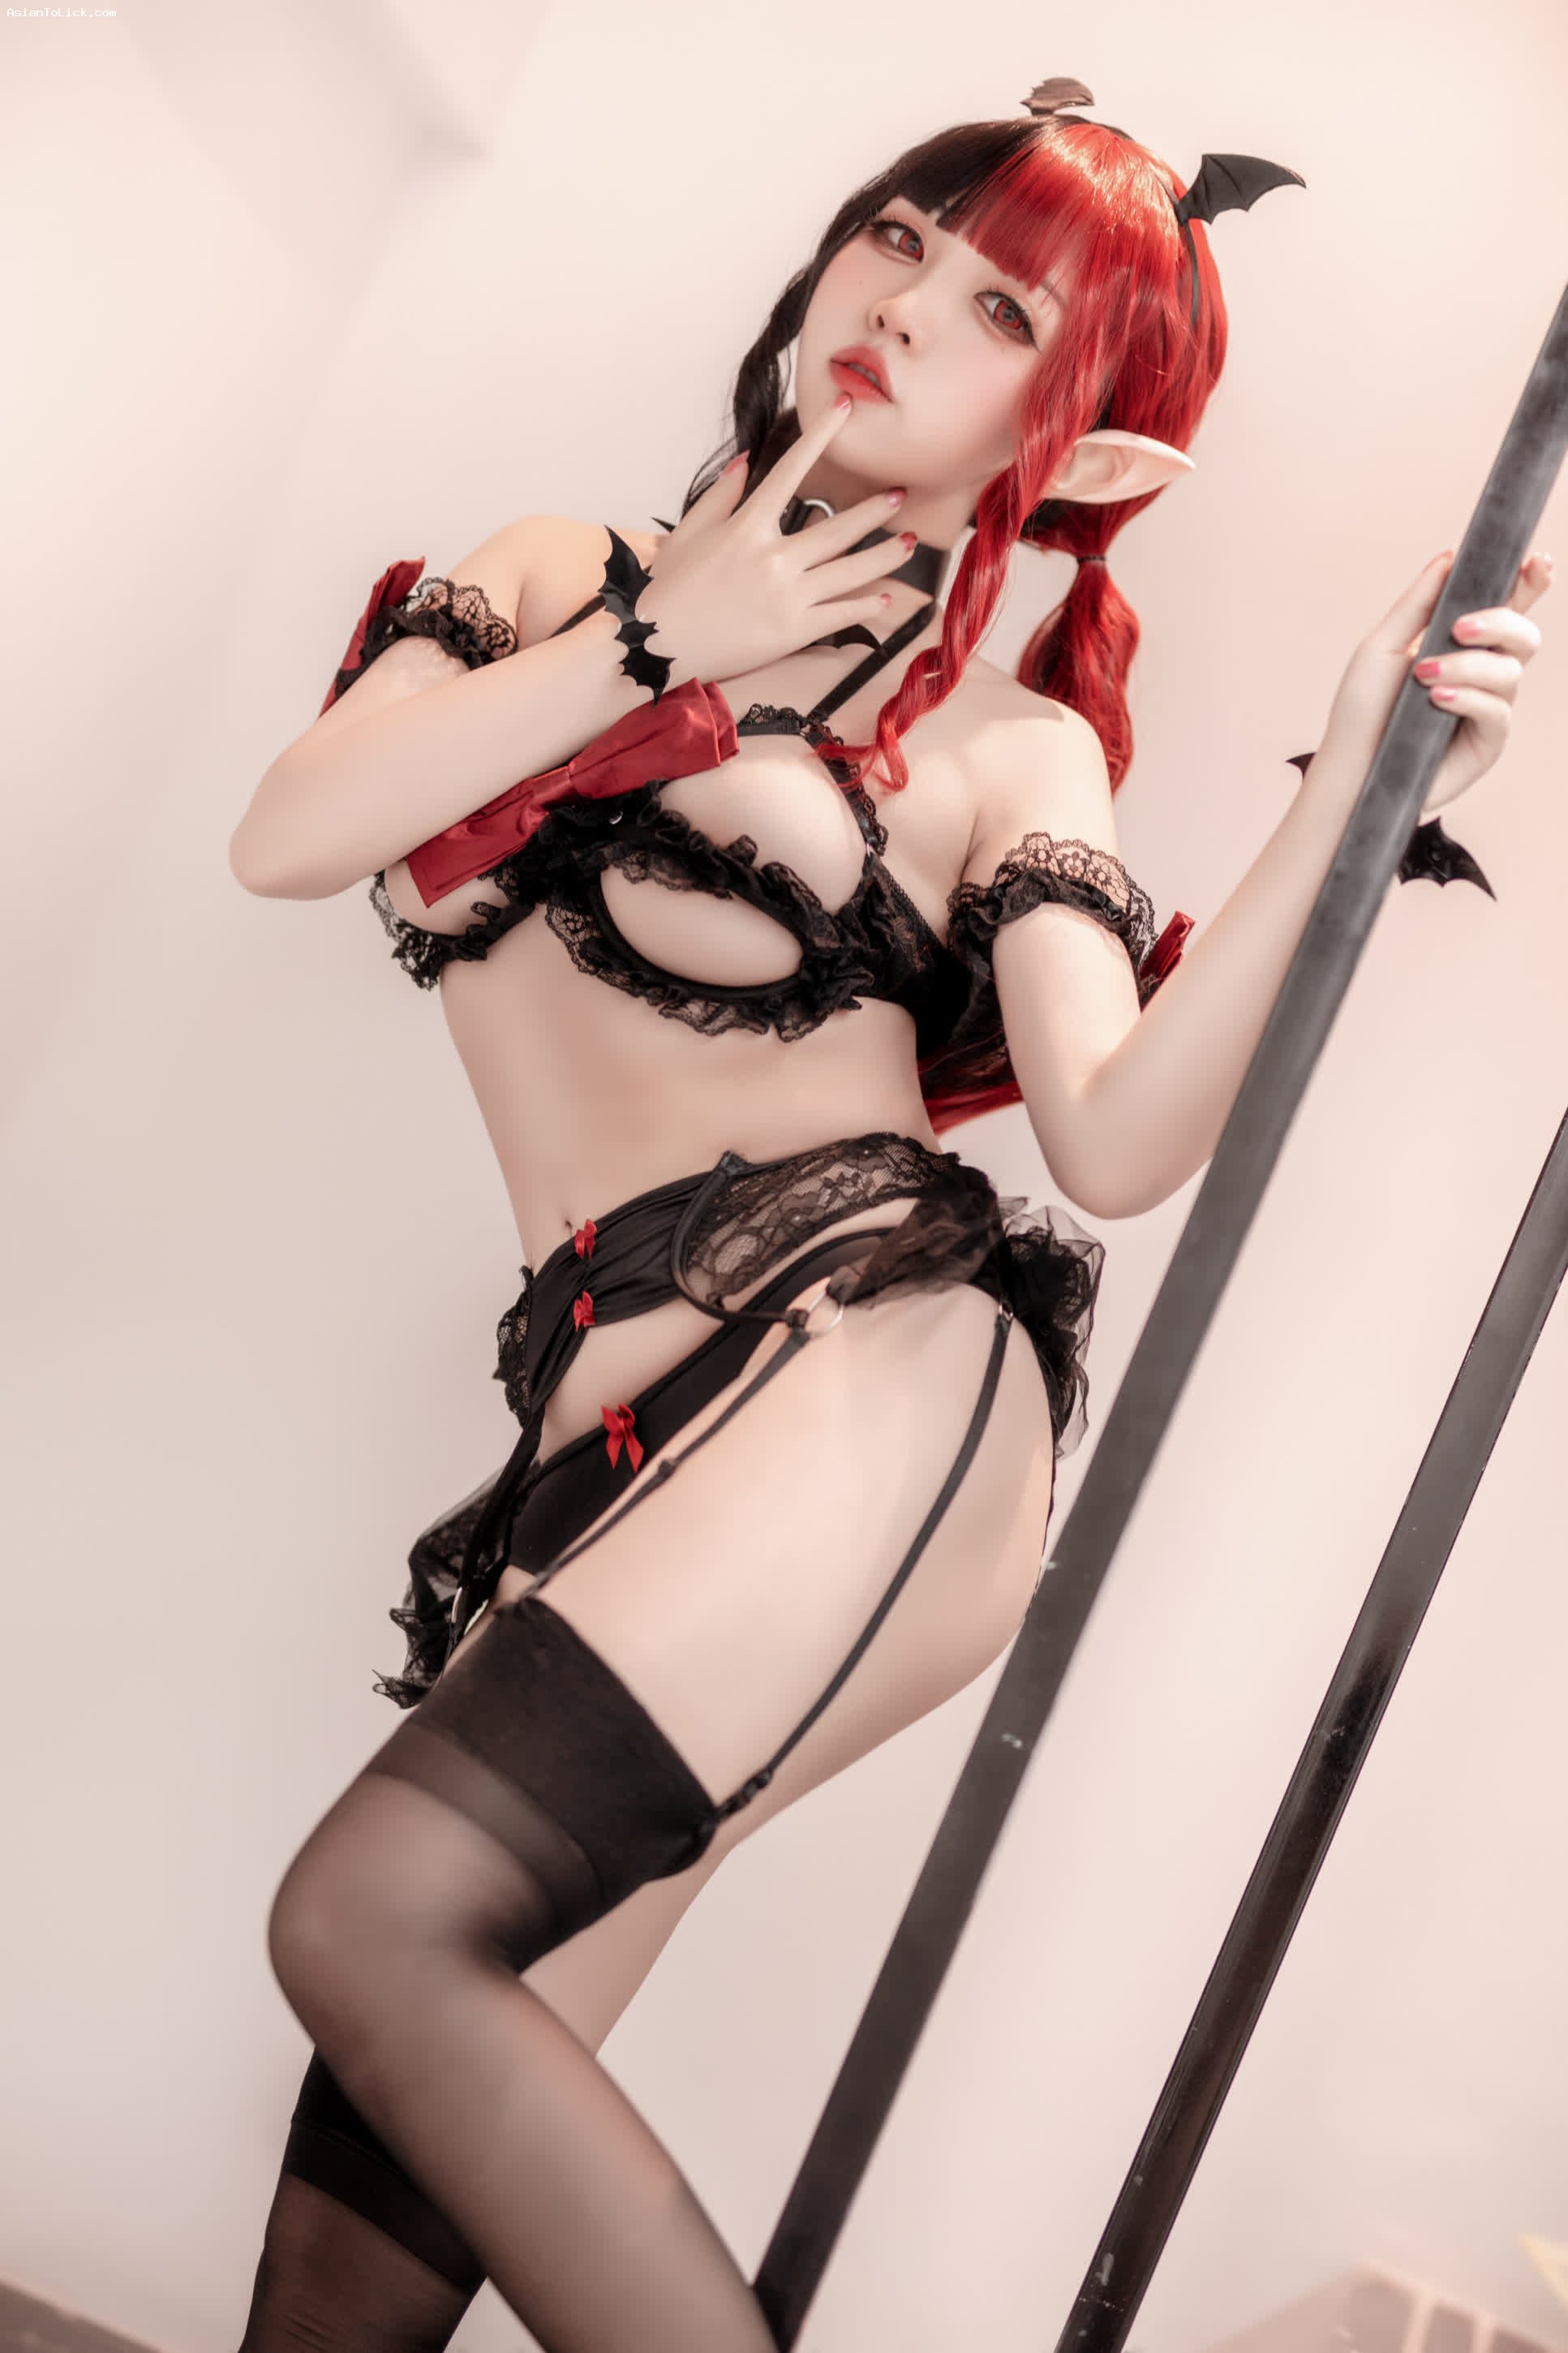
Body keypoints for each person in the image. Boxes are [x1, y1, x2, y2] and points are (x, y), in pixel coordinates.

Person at [226, 77, 1548, 2353]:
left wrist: (1349, 789)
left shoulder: (1011, 757)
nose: (907, 303)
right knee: (367, 2187)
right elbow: (293, 832)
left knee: (368, 1920)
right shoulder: (551, 581)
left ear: (1094, 455)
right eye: (901, 238)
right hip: (615, 1439)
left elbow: (1113, 1138)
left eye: (1003, 308)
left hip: (870, 1379)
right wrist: (670, 632)